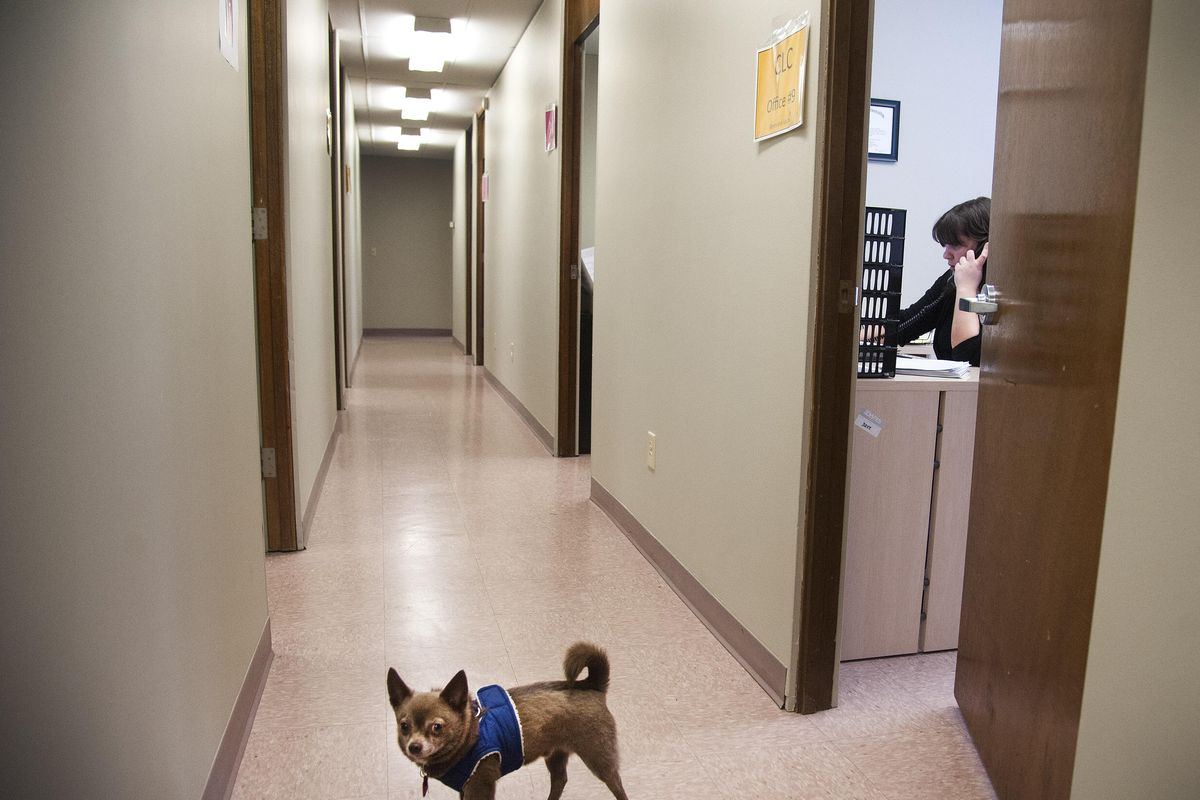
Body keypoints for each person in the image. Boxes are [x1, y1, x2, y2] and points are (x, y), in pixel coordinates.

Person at [897, 197, 990, 366]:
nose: (946, 255)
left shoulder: (998, 291)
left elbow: (967, 358)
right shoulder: (951, 280)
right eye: (946, 245)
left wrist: (967, 288)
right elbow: (906, 324)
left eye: (956, 245)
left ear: (984, 247)